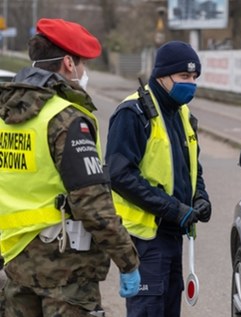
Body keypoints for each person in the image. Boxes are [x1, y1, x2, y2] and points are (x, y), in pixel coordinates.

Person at [0, 18, 140, 316]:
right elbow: (91, 201)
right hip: (66, 273)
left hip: (16, 265)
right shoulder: (67, 119)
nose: (83, 71)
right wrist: (127, 261)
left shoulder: (5, 116)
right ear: (68, 63)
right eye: (82, 63)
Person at [105, 40, 212, 317]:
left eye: (194, 77)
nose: (191, 84)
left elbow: (192, 167)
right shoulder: (133, 112)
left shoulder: (184, 114)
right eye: (184, 77)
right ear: (162, 76)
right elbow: (119, 175)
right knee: (148, 310)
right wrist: (173, 208)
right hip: (145, 238)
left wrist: (200, 197)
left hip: (173, 235)